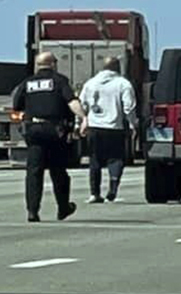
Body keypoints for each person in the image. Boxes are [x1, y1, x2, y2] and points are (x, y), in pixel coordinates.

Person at [11, 52, 84, 223]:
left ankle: (32, 211)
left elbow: (16, 105)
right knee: (58, 171)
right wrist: (83, 116)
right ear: (53, 64)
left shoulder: (27, 83)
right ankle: (63, 207)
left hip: (34, 130)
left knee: (34, 172)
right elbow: (71, 101)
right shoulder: (59, 81)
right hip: (54, 130)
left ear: (38, 65)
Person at [79, 54, 138, 203]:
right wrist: (132, 124)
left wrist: (81, 122)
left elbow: (82, 105)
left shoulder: (90, 83)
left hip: (94, 127)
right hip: (114, 127)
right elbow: (129, 107)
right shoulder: (123, 84)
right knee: (116, 159)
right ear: (118, 67)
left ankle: (94, 193)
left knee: (94, 160)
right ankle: (112, 190)